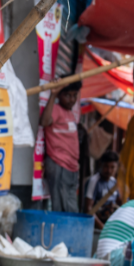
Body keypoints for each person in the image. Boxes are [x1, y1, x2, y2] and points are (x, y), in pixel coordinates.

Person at [40, 81, 83, 212]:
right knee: (61, 207)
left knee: (70, 206)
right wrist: (52, 95)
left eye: (74, 95)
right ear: (59, 95)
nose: (72, 99)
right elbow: (45, 121)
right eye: (67, 95)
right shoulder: (56, 109)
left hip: (72, 167)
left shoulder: (70, 113)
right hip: (59, 164)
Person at [85, 151, 121, 228]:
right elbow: (88, 209)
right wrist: (102, 227)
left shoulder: (115, 182)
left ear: (116, 167)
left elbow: (120, 201)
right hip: (99, 224)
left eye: (112, 167)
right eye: (106, 166)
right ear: (101, 165)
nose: (109, 170)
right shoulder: (94, 181)